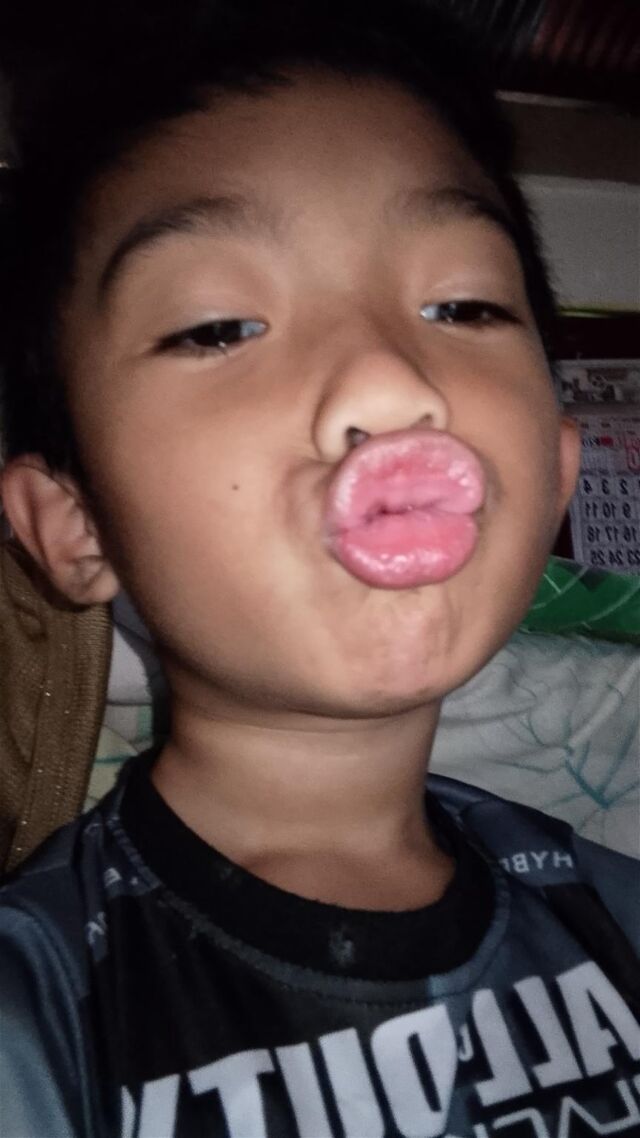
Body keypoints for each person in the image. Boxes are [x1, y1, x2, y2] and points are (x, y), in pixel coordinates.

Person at [0, 2, 638, 1134]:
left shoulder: (616, 911)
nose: (390, 382)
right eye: (217, 327)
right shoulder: (37, 1010)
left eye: (462, 305)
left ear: (550, 471)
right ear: (77, 523)